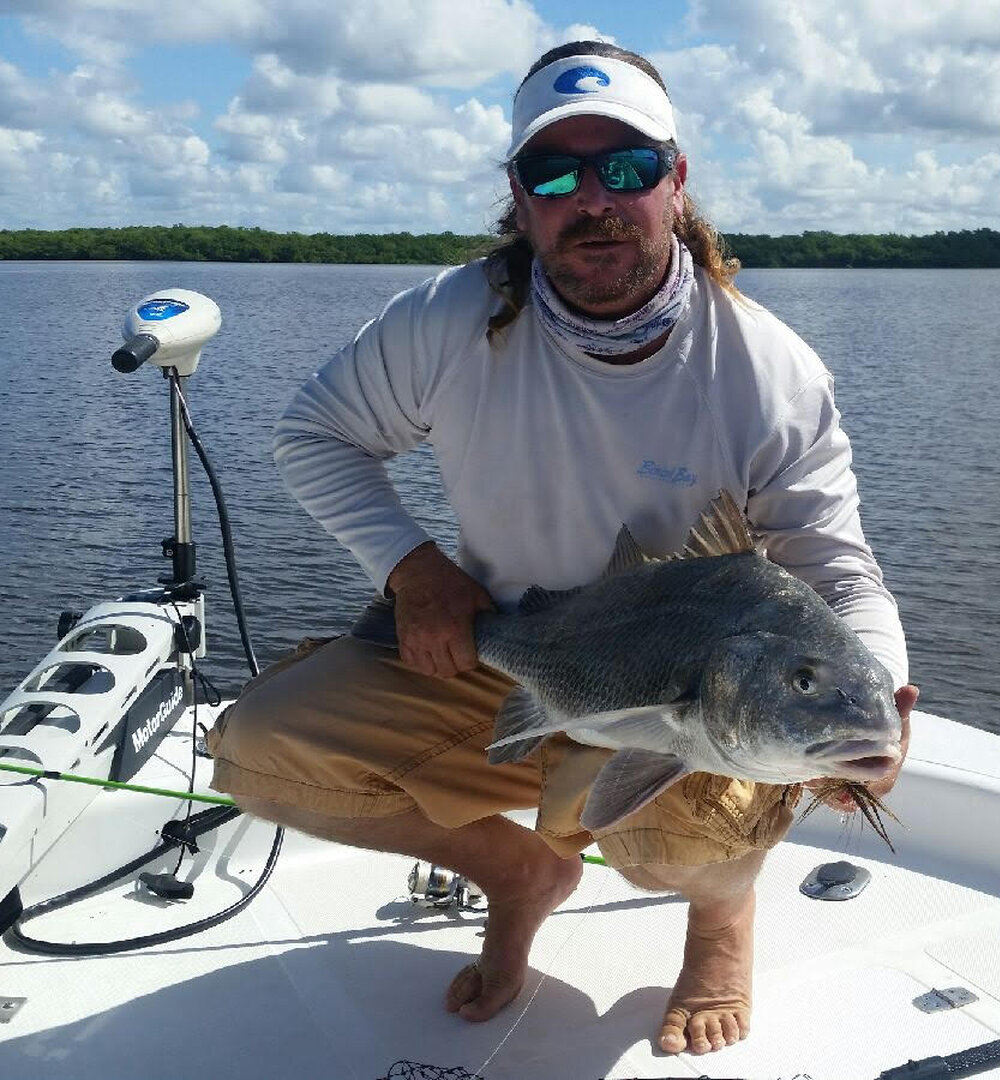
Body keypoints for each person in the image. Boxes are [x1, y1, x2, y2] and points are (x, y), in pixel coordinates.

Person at [205, 40, 918, 1057]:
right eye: (556, 174)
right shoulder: (450, 322)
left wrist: (880, 691)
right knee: (259, 755)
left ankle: (721, 918)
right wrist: (415, 571)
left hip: (682, 684)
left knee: (665, 834)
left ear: (676, 182)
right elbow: (314, 436)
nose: (594, 198)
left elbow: (839, 572)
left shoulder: (765, 369)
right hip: (516, 650)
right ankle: (517, 871)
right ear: (519, 197)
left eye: (626, 168)